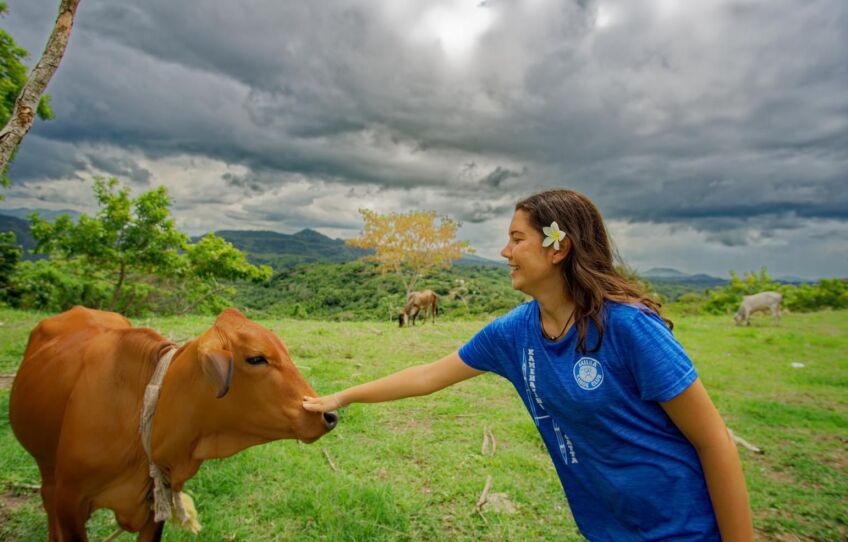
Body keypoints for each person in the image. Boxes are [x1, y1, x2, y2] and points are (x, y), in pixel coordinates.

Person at [303, 189, 752, 541]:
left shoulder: (629, 327)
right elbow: (427, 376)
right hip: (608, 529)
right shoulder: (514, 332)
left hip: (682, 528)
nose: (505, 252)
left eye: (517, 239)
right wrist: (343, 396)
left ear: (558, 248)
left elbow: (713, 440)